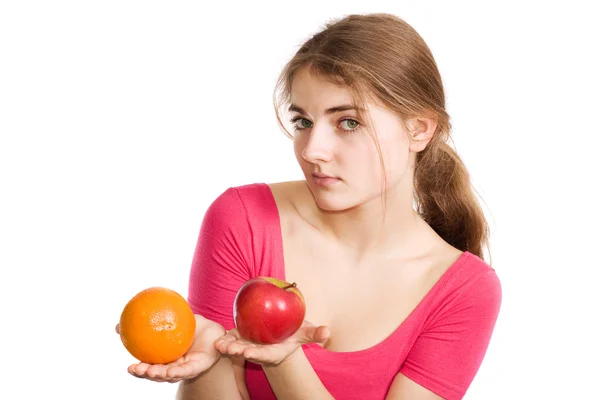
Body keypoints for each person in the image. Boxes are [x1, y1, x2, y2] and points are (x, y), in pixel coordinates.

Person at [119, 12, 502, 400]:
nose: (313, 151)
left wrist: (285, 362)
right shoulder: (242, 218)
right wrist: (210, 352)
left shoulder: (465, 291)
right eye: (303, 122)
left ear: (419, 129)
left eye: (348, 122)